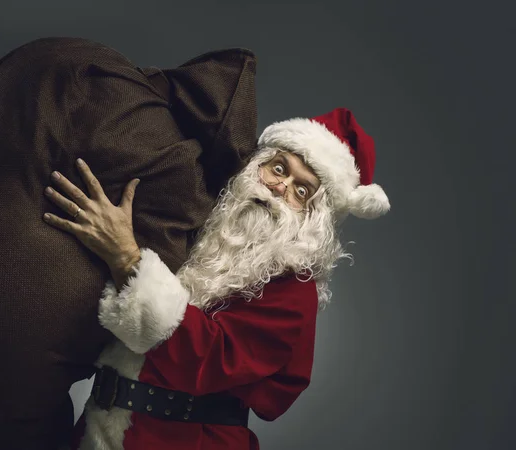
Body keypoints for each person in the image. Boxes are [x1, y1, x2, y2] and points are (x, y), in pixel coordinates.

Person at [42, 107, 390, 449]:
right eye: (279, 168)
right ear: (257, 165)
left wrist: (126, 257)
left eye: (302, 191)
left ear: (314, 219)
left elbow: (208, 357)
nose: (280, 187)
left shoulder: (295, 290)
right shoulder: (205, 218)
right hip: (95, 430)